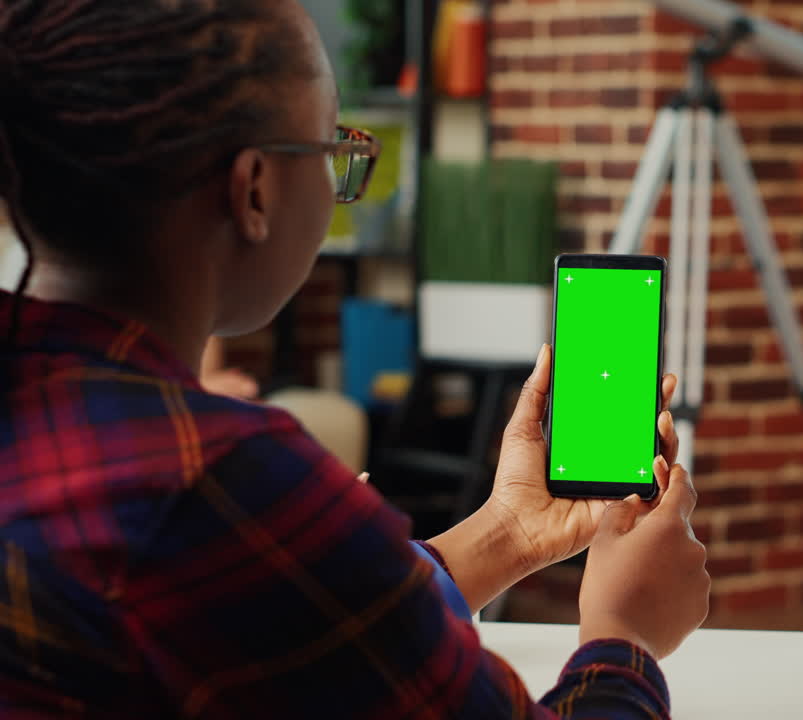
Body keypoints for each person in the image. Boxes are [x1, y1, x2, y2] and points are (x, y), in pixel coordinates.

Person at [0, 2, 709, 718]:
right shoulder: (219, 483)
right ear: (253, 191)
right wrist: (625, 633)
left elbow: (266, 627)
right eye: (332, 148)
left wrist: (509, 533)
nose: (341, 176)